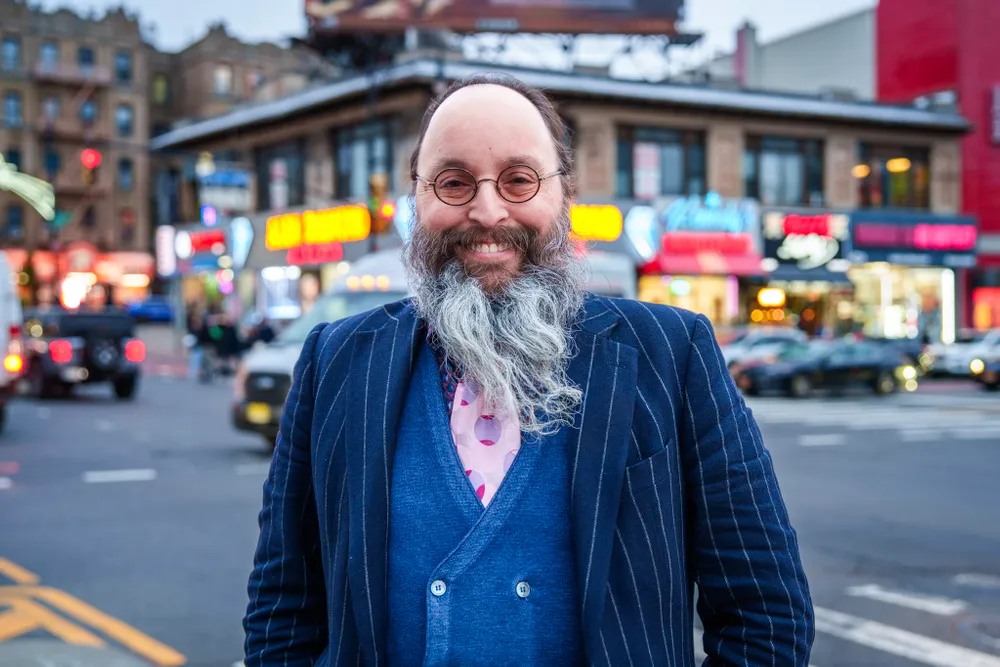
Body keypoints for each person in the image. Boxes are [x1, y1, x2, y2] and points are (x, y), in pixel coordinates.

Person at [244, 74, 815, 666]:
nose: (487, 211)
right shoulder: (334, 360)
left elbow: (763, 614)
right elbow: (284, 611)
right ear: (417, 199)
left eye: (519, 180)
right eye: (453, 182)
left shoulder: (672, 354)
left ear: (563, 195)